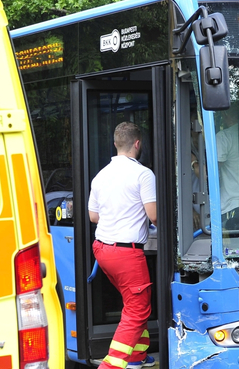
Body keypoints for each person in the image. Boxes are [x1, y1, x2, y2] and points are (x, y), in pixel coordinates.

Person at [88, 122, 157, 369]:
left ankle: (137, 356)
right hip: (126, 253)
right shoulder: (143, 174)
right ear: (138, 144)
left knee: (133, 301)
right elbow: (155, 216)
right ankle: (111, 366)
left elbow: (93, 217)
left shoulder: (100, 175)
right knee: (138, 309)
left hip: (102, 249)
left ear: (116, 144)